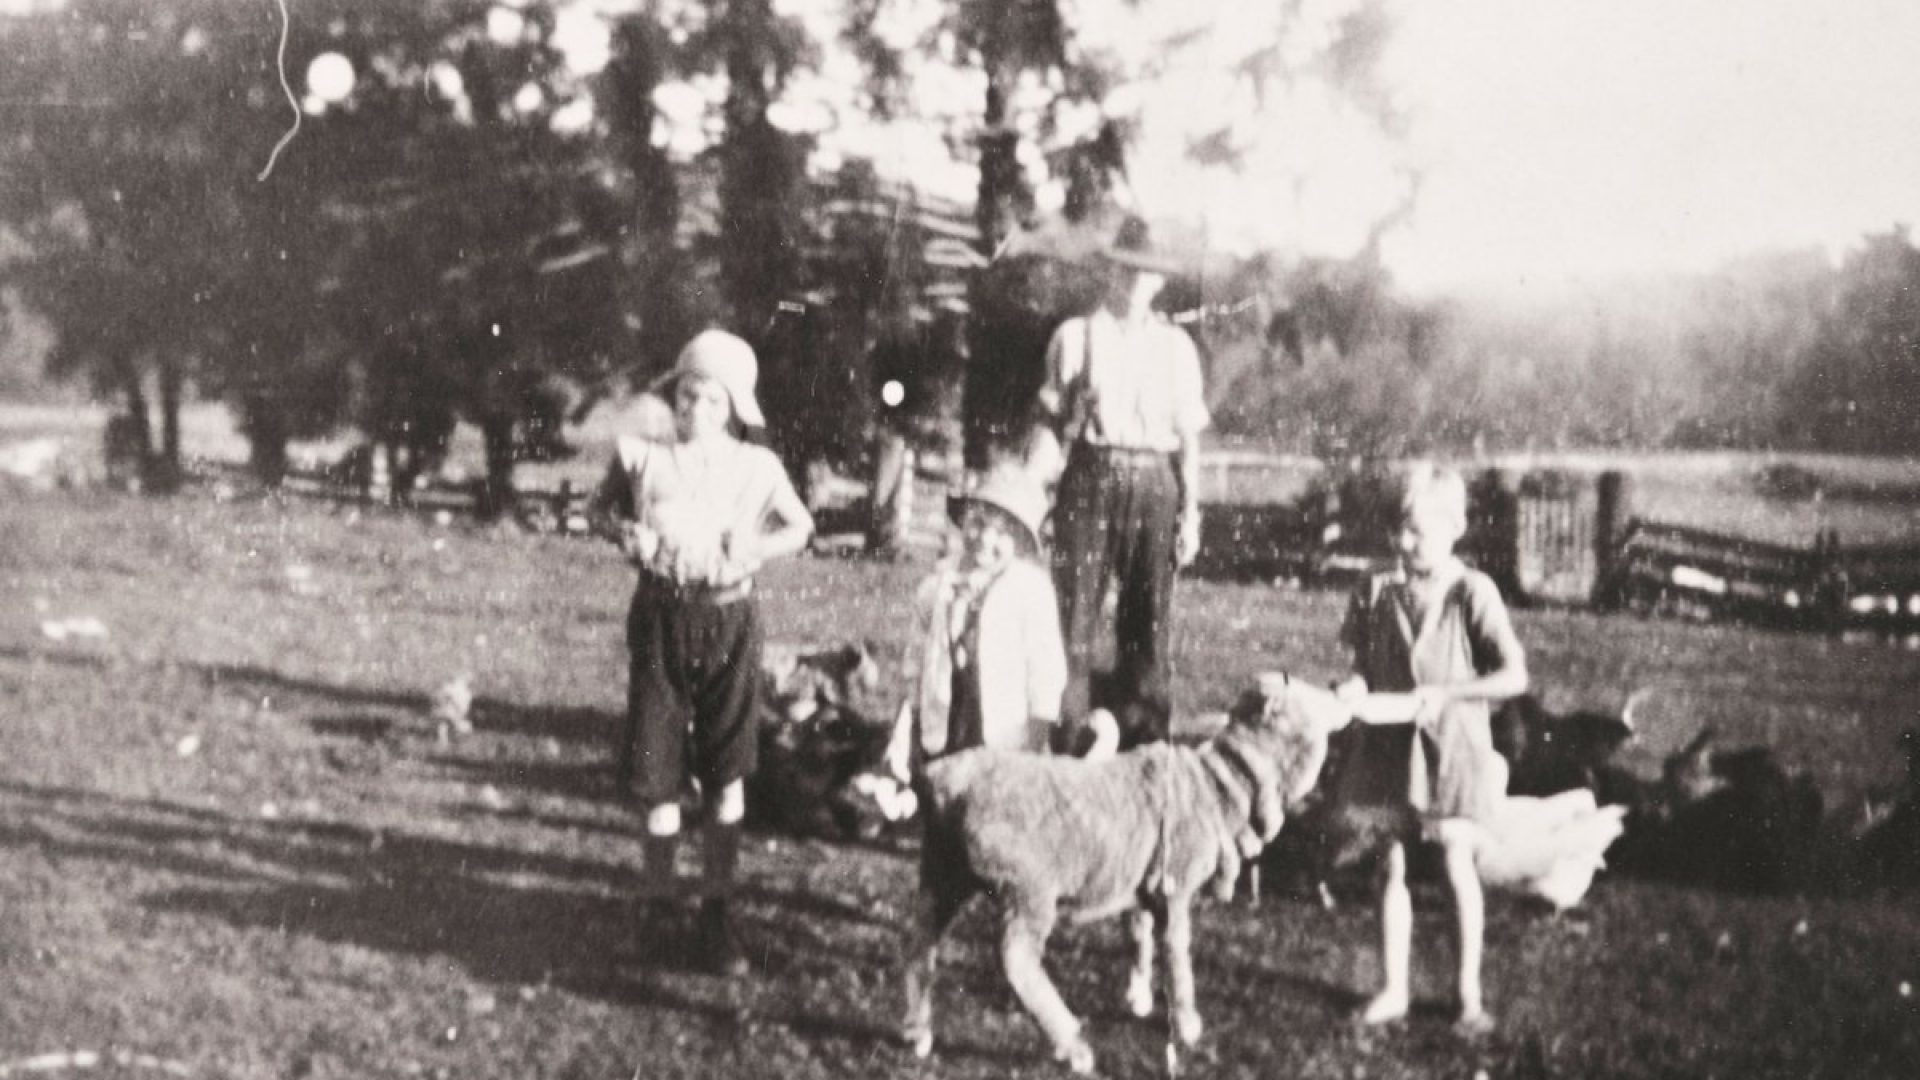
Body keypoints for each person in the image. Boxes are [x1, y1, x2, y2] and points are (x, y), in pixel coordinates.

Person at [590, 328, 815, 976]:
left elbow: (800, 527)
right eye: (687, 398)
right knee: (656, 770)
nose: (695, 413)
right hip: (661, 619)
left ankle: (717, 916)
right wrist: (624, 533)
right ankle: (657, 905)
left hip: (729, 624)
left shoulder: (756, 469)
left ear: (736, 408)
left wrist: (756, 549)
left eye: (712, 402)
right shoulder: (643, 457)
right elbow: (598, 511)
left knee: (725, 773)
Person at [1332, 463, 1529, 1036]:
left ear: (1455, 527)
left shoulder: (1472, 593)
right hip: (1389, 745)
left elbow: (1513, 675)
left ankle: (1466, 994)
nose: (1404, 541)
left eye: (1418, 530)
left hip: (1451, 750)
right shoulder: (1374, 590)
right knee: (1387, 863)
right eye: (1398, 528)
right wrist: (1354, 689)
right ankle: (1393, 988)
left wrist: (1452, 693)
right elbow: (1363, 670)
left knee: (1453, 863)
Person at [1039, 216, 1208, 747]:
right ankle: (1065, 745)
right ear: (1112, 271)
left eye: (1150, 274)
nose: (1138, 282)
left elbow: (1189, 440)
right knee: (1072, 621)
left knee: (1148, 623)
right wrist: (1034, 494)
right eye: (1129, 270)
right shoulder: (1076, 336)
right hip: (1091, 475)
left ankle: (1144, 747)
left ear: (1161, 281)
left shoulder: (1177, 349)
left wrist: (1193, 511)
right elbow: (1048, 424)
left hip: (1157, 484)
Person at [883, 461, 1067, 781]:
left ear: (1022, 543)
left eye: (1002, 534)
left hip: (1003, 730)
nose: (985, 539)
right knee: (945, 793)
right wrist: (910, 717)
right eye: (978, 524)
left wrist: (1038, 730)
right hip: (947, 720)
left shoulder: (1030, 592)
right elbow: (915, 661)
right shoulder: (937, 586)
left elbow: (1046, 671)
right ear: (963, 521)